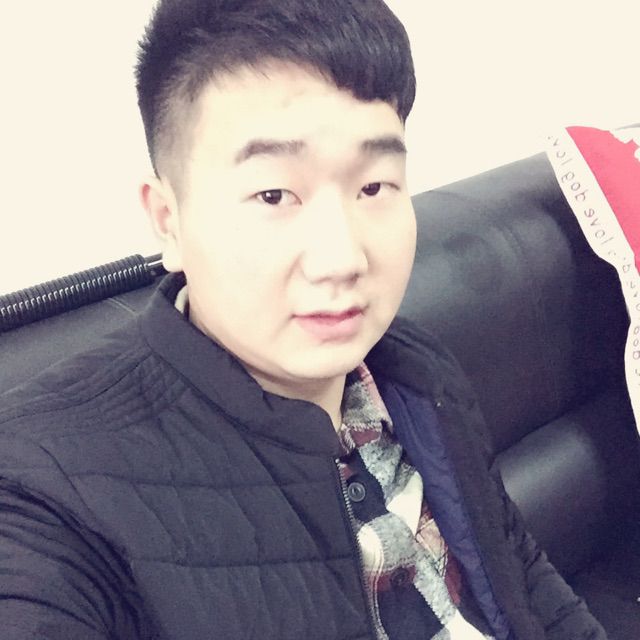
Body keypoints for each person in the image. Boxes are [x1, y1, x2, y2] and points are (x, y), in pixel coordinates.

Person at [0, 1, 607, 638]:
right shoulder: (42, 493)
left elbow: (522, 574)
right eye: (273, 194)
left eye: (373, 187)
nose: (342, 259)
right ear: (168, 221)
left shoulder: (417, 372)